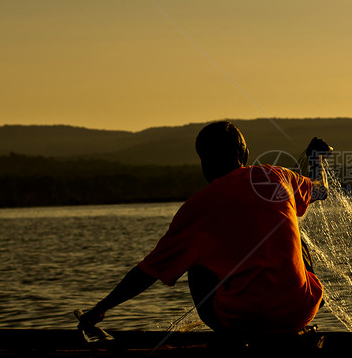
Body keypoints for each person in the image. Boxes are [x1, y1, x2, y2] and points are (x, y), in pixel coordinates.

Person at [77, 121, 332, 335]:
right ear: (243, 155)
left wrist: (101, 307)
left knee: (195, 259)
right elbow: (322, 188)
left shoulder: (197, 207)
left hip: (242, 322)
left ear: (204, 162)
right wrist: (316, 159)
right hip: (300, 312)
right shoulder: (278, 176)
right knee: (297, 236)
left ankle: (231, 338)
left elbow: (147, 271)